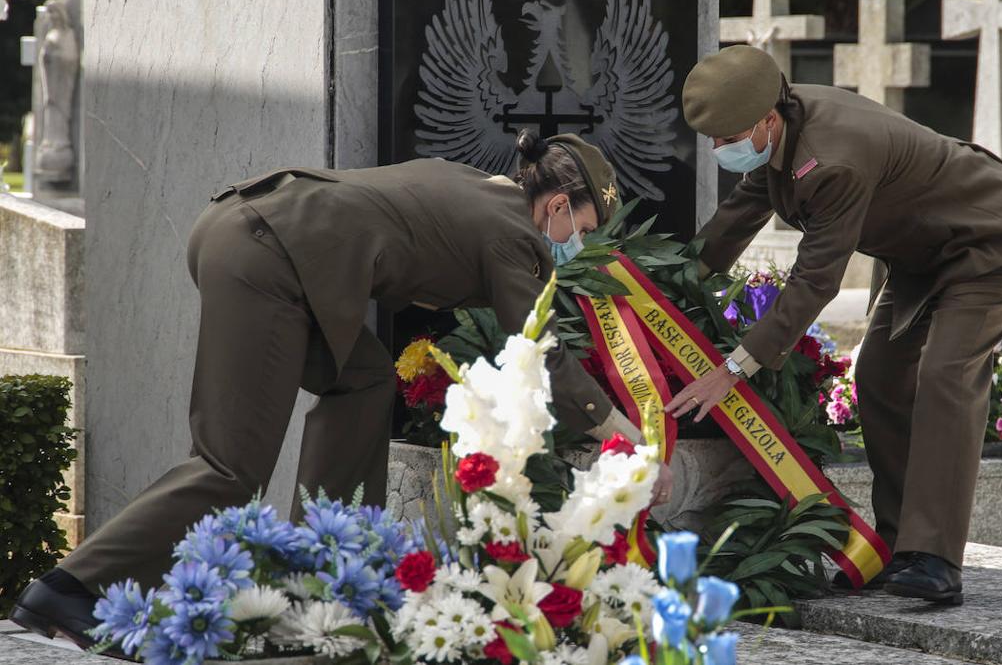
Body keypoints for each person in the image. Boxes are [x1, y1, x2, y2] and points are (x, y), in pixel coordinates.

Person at [12, 131, 664, 646]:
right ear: (556, 206)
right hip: (269, 254)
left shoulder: (479, 188)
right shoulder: (515, 233)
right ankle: (72, 586)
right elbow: (535, 347)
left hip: (255, 235)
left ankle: (320, 575)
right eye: (582, 228)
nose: (579, 243)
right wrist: (619, 432)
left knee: (366, 383)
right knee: (230, 465)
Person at [666, 45, 1002, 605]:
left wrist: (733, 368)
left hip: (989, 242)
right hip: (922, 253)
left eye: (728, 139)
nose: (721, 151)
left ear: (767, 119)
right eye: (714, 141)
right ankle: (896, 547)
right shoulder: (781, 131)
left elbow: (815, 280)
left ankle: (935, 557)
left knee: (944, 374)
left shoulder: (831, 158)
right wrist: (665, 291)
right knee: (879, 378)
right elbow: (734, 220)